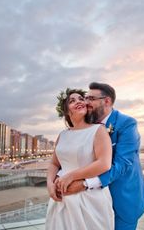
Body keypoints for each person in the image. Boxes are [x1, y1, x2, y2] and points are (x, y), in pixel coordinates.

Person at [63, 82, 144, 230]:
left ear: (107, 101)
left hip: (123, 200)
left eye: (91, 98)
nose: (86, 102)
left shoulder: (127, 124)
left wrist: (85, 184)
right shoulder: (88, 125)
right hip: (93, 203)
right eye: (86, 98)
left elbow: (122, 164)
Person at [45, 88, 114, 229]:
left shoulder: (98, 130)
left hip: (90, 198)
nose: (78, 102)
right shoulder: (62, 135)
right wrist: (50, 184)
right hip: (61, 199)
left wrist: (70, 176)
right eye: (72, 101)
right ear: (66, 111)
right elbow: (54, 163)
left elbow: (104, 164)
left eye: (81, 99)